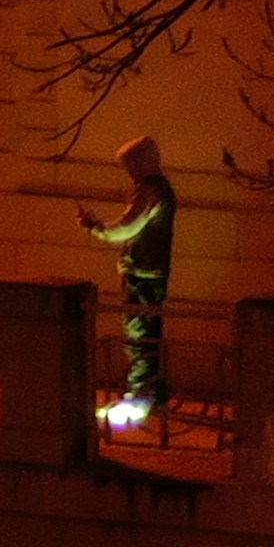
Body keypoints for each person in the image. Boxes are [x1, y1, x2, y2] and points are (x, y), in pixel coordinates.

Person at [91, 139, 185, 430]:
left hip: (143, 273)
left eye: (130, 165)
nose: (129, 172)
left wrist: (96, 228)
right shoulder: (163, 189)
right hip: (153, 272)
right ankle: (152, 395)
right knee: (148, 332)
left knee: (139, 334)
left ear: (142, 162)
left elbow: (128, 226)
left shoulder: (149, 189)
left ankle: (139, 397)